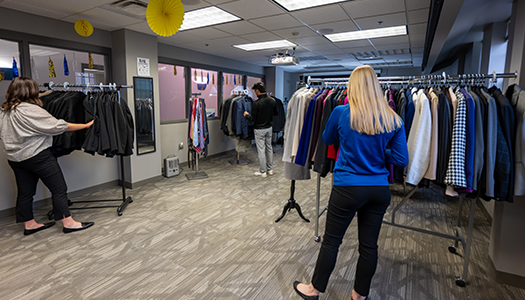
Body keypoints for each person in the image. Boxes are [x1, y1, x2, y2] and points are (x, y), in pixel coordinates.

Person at [293, 66, 409, 300]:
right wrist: (378, 153)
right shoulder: (393, 118)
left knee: (332, 241)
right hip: (378, 190)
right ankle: (359, 295)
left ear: (352, 86)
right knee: (369, 246)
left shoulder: (340, 112)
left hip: (348, 187)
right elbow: (400, 159)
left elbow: (327, 139)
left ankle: (314, 290)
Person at [0, 77, 95, 235]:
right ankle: (68, 222)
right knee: (59, 188)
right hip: (37, 156)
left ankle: (29, 224)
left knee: (25, 192)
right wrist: (85, 125)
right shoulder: (30, 109)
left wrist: (49, 93)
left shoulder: (5, 110)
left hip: (15, 159)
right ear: (31, 91)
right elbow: (57, 126)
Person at [243, 82, 278, 178]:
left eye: (255, 91)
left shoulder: (256, 103)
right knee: (269, 148)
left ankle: (263, 171)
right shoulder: (272, 100)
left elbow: (252, 119)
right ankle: (270, 170)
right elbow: (276, 113)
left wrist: (246, 115)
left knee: (261, 150)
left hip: (259, 129)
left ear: (257, 91)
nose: (255, 93)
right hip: (269, 128)